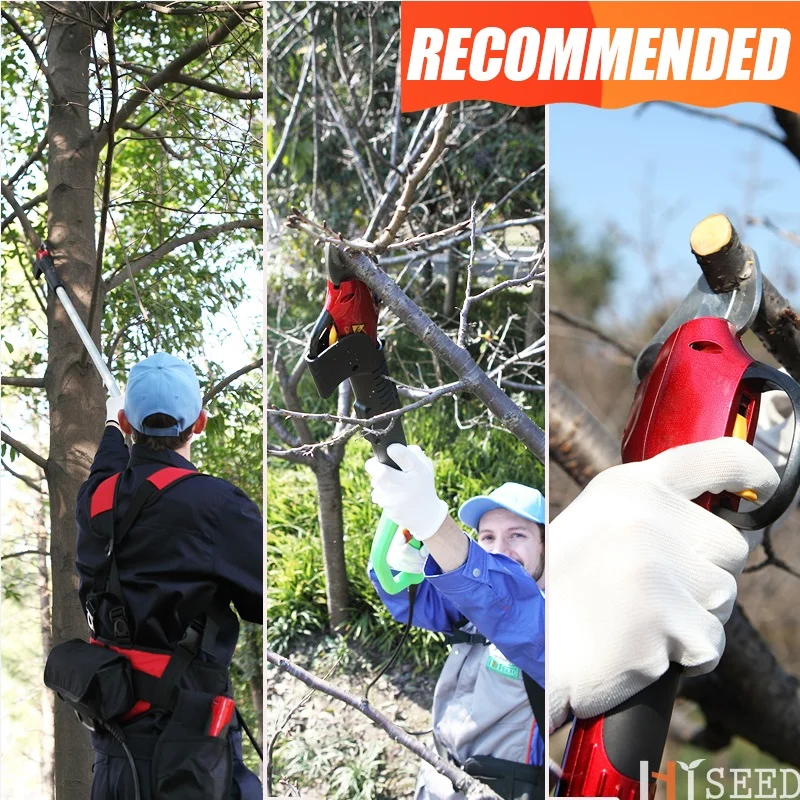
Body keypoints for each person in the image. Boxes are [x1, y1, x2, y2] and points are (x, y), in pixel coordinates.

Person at [74, 353, 263, 799]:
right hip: (190, 760)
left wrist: (110, 427)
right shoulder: (219, 506)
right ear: (199, 422)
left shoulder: (94, 502)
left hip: (114, 759)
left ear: (126, 422)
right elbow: (259, 603)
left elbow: (107, 466)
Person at [365, 443, 545, 800]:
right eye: (487, 537)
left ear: (546, 545)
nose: (499, 550)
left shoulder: (553, 620)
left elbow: (511, 609)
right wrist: (401, 559)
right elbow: (407, 603)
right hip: (436, 778)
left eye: (518, 535)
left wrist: (434, 524)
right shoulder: (469, 607)